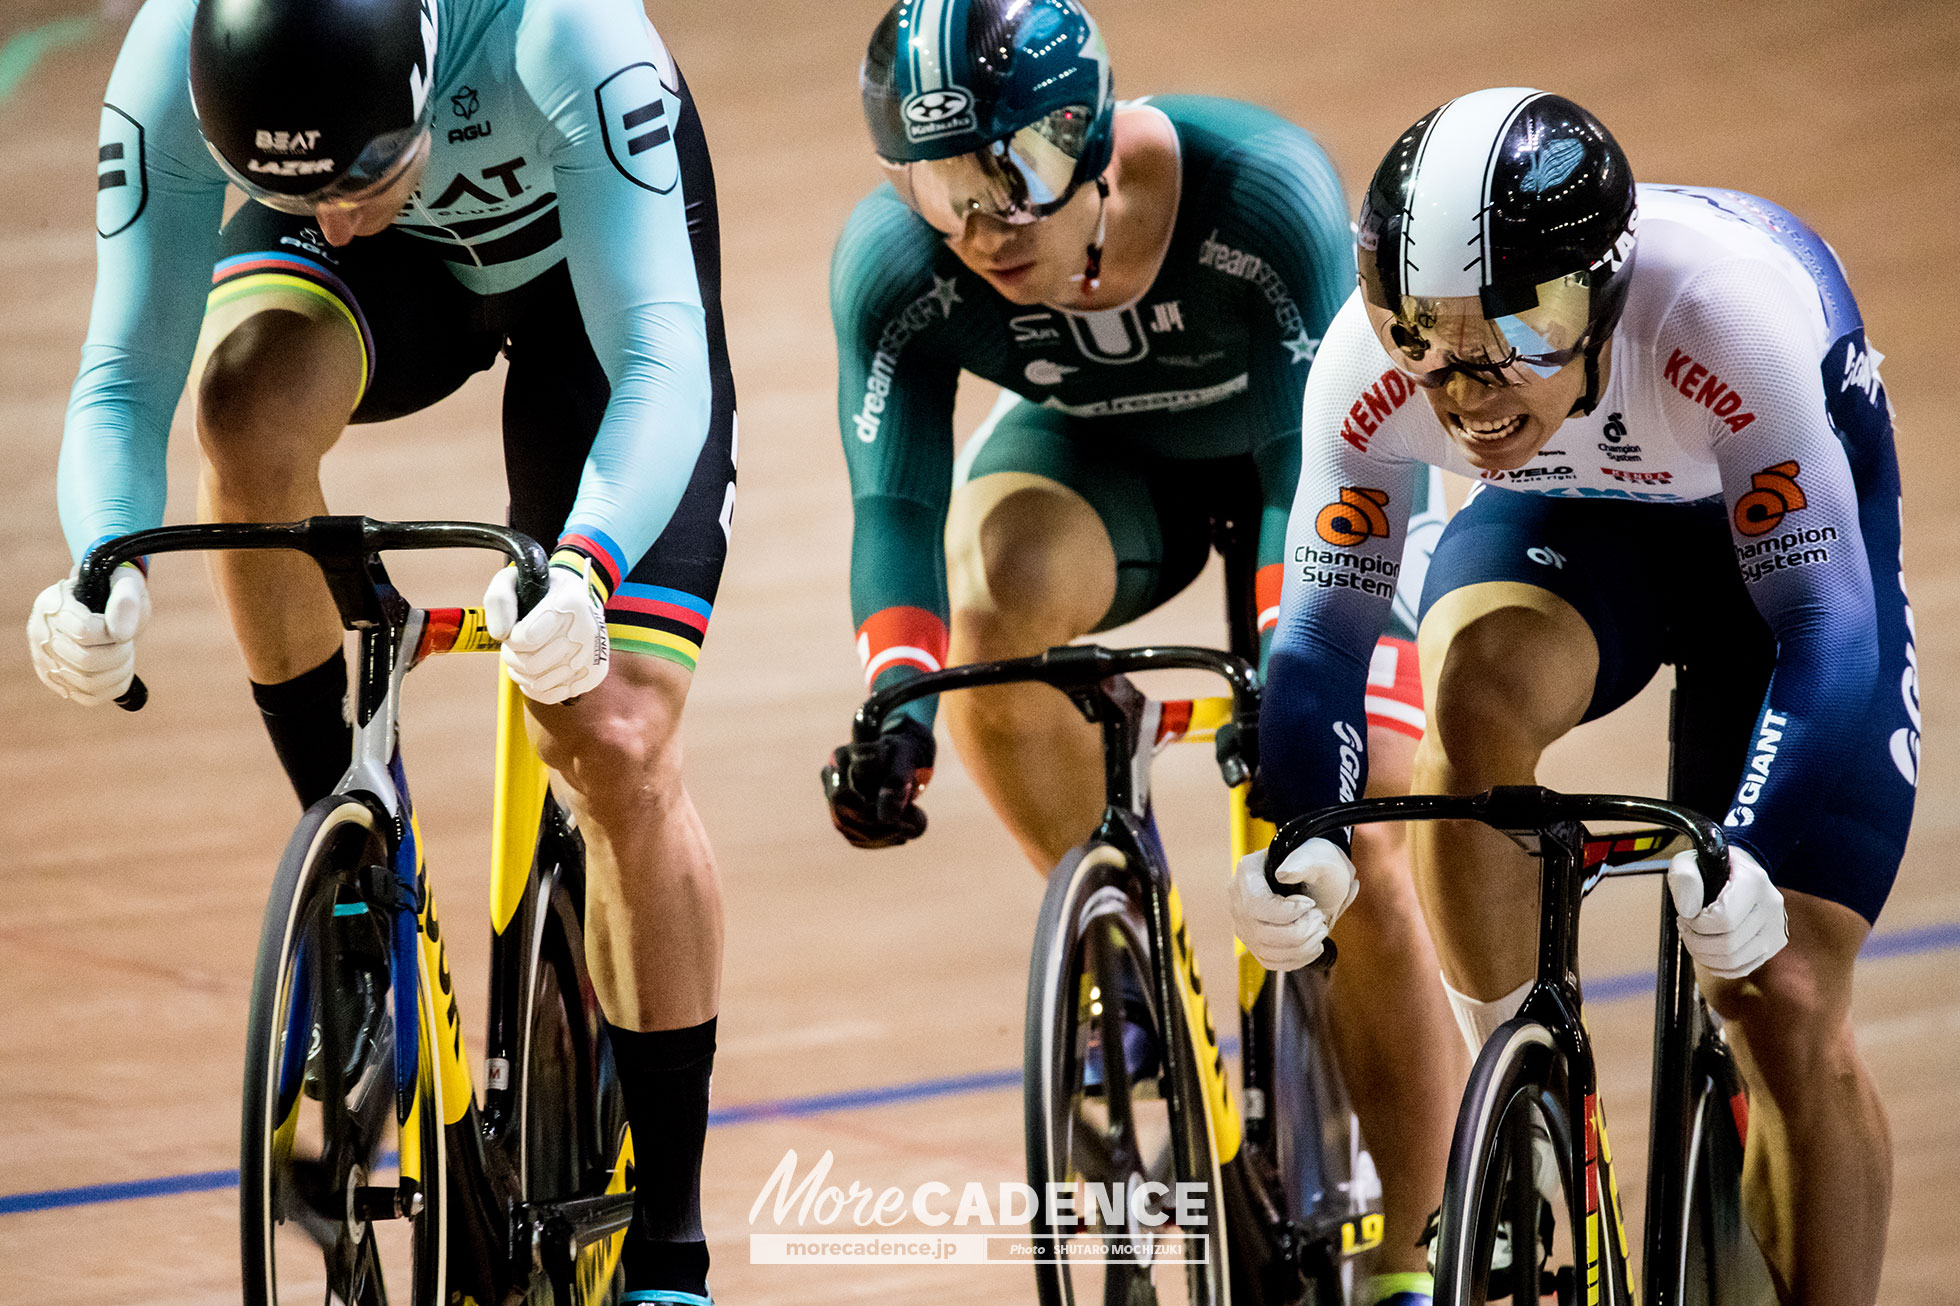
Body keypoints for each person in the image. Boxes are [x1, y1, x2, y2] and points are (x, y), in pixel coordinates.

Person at [24, 0, 736, 1299]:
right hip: (406, 285)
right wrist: (102, 562)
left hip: (591, 282)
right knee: (241, 410)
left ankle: (675, 1243)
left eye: (364, 175)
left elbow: (660, 358)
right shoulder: (169, 63)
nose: (339, 214)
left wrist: (590, 564)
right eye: (288, 186)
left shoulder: (568, 38)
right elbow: (126, 370)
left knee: (615, 734)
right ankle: (355, 883)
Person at [820, 1, 1462, 1299]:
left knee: (1366, 824)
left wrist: (1304, 688)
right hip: (1102, 472)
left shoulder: (1259, 195)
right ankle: (1132, 956)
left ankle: (1415, 1250)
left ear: (1088, 137)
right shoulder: (898, 264)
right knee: (989, 615)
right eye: (942, 187)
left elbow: (1325, 461)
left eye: (1009, 178)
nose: (983, 231)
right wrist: (897, 693)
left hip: (1314, 474)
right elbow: (895, 504)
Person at [1239, 87, 1915, 1302]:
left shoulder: (1722, 316)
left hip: (1785, 555)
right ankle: (1523, 1106)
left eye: (1523, 329)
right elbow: (1322, 643)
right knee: (1475, 691)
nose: (1470, 390)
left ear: (1602, 292)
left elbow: (1824, 623)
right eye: (1423, 339)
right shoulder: (1365, 370)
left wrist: (1748, 860)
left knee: (1783, 996)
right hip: (1570, 516)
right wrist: (1303, 839)